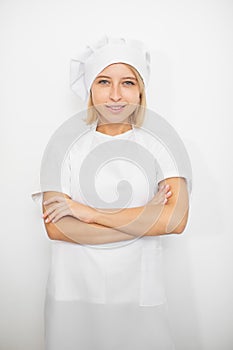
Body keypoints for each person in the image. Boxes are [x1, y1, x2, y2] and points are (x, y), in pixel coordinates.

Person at [31, 36, 191, 350]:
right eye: (104, 81)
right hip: (73, 293)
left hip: (138, 293)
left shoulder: (163, 146)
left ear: (141, 90)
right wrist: (145, 219)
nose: (116, 95)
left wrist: (88, 212)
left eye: (128, 82)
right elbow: (56, 227)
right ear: (90, 88)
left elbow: (175, 220)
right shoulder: (62, 147)